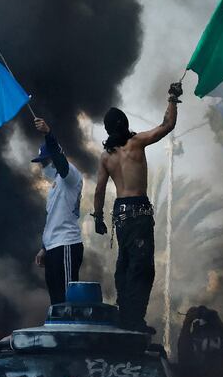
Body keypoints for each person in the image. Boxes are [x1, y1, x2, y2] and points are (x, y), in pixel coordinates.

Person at [92, 82, 182, 332]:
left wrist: (98, 218)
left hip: (120, 215)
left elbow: (99, 190)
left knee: (126, 261)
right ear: (124, 123)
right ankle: (133, 319)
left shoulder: (106, 156)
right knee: (142, 267)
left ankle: (125, 312)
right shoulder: (136, 142)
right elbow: (167, 125)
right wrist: (172, 98)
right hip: (139, 212)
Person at [33, 116, 84, 305]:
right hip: (53, 247)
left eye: (44, 162)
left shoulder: (69, 175)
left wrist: (48, 134)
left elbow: (60, 160)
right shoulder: (55, 185)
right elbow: (54, 218)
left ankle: (71, 334)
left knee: (67, 301)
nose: (42, 167)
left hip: (67, 245)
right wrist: (44, 247)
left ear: (53, 159)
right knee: (56, 301)